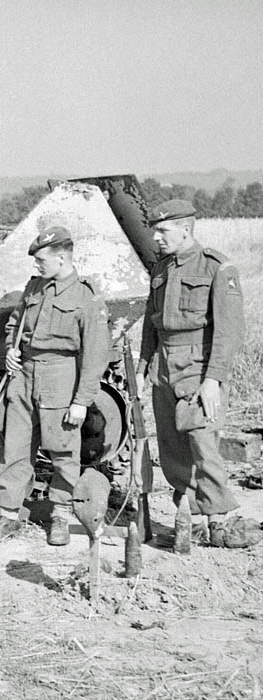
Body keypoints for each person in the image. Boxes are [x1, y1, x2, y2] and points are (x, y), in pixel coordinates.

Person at [0, 225, 110, 546]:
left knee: (63, 451)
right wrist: (11, 350)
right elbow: (15, 324)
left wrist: (81, 400)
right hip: (23, 375)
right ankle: (8, 517)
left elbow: (95, 354)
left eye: (41, 260)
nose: (36, 266)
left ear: (62, 258)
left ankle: (60, 517)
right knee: (15, 448)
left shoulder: (85, 296)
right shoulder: (34, 287)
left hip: (60, 376)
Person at [137, 199, 246, 550]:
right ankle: (188, 514)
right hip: (164, 367)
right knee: (171, 447)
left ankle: (218, 520)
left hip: (199, 366)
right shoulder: (160, 269)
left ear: (186, 229)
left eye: (163, 230)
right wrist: (142, 368)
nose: (156, 237)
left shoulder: (216, 267)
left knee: (202, 443)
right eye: (154, 229)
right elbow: (151, 327)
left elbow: (229, 330)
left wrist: (213, 379)